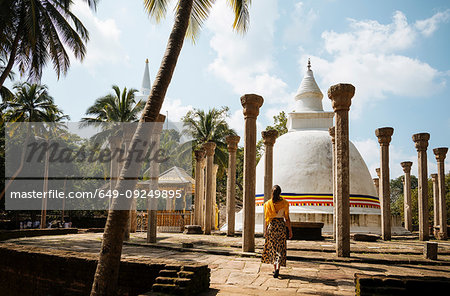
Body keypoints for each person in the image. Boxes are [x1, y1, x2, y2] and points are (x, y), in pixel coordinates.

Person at [261, 185, 293, 278]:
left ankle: (275, 268)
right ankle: (278, 266)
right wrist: (290, 230)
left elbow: (267, 219)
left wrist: (265, 230)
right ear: (280, 193)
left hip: (272, 227)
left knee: (273, 248)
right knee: (280, 247)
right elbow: (287, 218)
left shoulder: (267, 204)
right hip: (281, 226)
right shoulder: (285, 203)